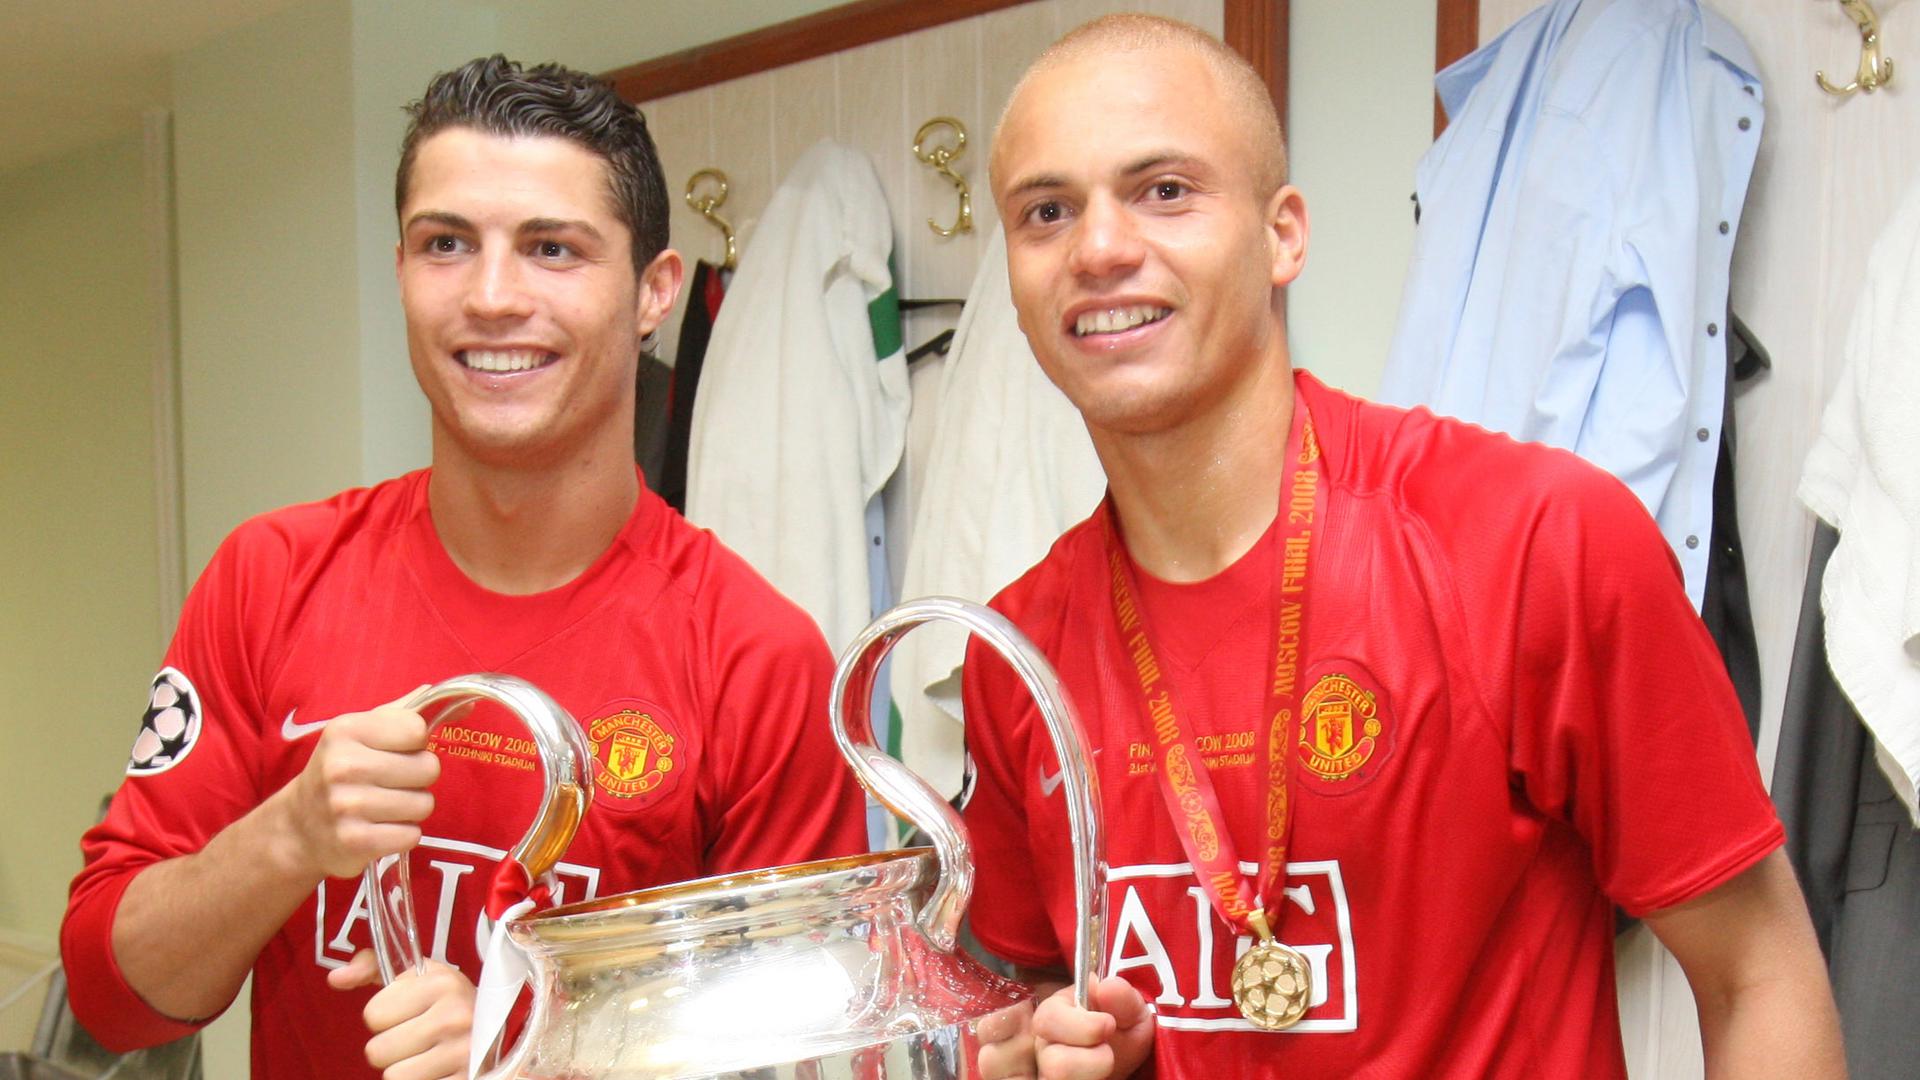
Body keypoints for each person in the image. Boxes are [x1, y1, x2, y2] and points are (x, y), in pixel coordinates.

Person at [963, 15, 1845, 1079]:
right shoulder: (1013, 653)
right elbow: (1030, 1004)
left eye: (1164, 190)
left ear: (1284, 236)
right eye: (1047, 212)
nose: (1100, 249)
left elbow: (1757, 975)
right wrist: (1066, 1050)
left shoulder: (1534, 543)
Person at [61, 56, 867, 1080]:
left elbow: (812, 1055)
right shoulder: (270, 577)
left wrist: (537, 1047)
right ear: (400, 267)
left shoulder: (754, 655)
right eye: (447, 244)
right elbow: (112, 997)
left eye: (552, 249)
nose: (491, 297)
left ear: (654, 292)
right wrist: (288, 837)